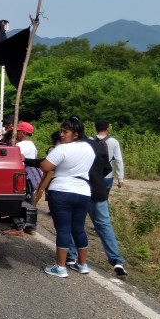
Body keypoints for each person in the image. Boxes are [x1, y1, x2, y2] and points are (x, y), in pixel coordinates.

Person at [67, 122, 128, 277]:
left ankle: (72, 255)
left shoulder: (72, 148)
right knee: (104, 224)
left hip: (80, 190)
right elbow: (108, 167)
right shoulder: (97, 145)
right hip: (98, 190)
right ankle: (116, 260)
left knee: (75, 223)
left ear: (74, 133)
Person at [39, 116, 95, 278]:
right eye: (61, 131)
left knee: (63, 229)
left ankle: (61, 267)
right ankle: (82, 264)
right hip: (83, 191)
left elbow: (45, 166)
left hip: (61, 191)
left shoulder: (63, 149)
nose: (61, 135)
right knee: (78, 228)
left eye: (65, 132)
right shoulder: (89, 148)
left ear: (75, 134)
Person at [3, 121, 40, 236]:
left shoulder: (21, 145)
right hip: (29, 176)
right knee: (28, 201)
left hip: (21, 175)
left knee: (17, 200)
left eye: (18, 131)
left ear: (23, 132)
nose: (17, 134)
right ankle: (28, 226)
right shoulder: (32, 145)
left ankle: (19, 226)